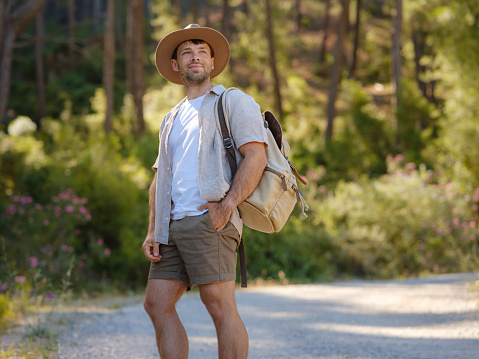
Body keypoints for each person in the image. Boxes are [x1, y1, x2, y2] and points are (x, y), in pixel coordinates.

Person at [142, 24, 268, 359]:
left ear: (212, 62)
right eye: (186, 52)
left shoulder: (232, 101)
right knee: (156, 304)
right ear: (176, 66)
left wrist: (227, 207)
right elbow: (159, 179)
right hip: (171, 227)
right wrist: (154, 229)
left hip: (209, 220)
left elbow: (256, 157)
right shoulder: (171, 118)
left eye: (201, 52)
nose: (194, 57)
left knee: (219, 307)